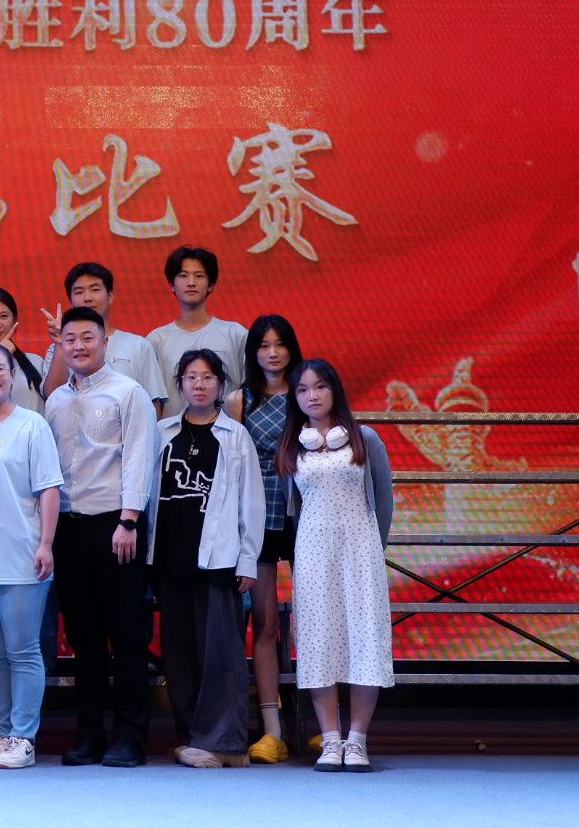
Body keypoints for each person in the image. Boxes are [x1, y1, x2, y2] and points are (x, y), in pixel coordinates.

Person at [42, 306, 156, 767]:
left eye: (88, 337)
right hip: (70, 527)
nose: (79, 346)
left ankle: (130, 737)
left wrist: (129, 520)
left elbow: (139, 457)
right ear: (61, 345)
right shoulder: (54, 400)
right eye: (70, 339)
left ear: (105, 342)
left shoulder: (129, 392)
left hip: (116, 525)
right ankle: (89, 734)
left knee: (126, 634)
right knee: (83, 637)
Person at [276, 358, 395, 774]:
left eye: (320, 387)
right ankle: (330, 740)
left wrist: (372, 549)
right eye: (303, 389)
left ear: (334, 391)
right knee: (318, 641)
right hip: (313, 553)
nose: (312, 395)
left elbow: (384, 500)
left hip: (360, 551)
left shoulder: (365, 438)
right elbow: (293, 508)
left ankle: (357, 740)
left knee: (365, 640)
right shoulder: (292, 445)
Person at [150, 349, 264, 770]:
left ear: (221, 385)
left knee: (221, 653)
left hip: (218, 560)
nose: (199, 384)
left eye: (208, 377)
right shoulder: (162, 432)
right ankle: (194, 737)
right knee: (179, 655)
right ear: (179, 384)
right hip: (168, 557)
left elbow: (252, 502)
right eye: (191, 377)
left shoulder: (235, 436)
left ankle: (226, 743)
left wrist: (247, 559)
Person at [0, 342, 63, 771]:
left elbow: (49, 488)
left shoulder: (32, 425)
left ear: (13, 374)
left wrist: (46, 544)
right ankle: (1, 732)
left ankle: (24, 736)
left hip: (22, 556)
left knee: (23, 651)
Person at [224, 314, 305, 764]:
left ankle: (324, 725)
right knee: (266, 623)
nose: (272, 353)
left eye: (279, 344)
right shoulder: (240, 400)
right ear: (252, 352)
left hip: (308, 516)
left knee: (318, 619)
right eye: (263, 346)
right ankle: (272, 730)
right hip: (260, 518)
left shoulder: (309, 391)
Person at [38, 262, 168, 412]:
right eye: (79, 292)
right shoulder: (60, 348)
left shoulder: (139, 345)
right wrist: (61, 342)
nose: (87, 298)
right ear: (70, 301)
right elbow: (53, 396)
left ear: (110, 296)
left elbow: (154, 402)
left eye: (95, 289)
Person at [148, 246, 248, 420]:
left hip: (226, 432)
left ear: (211, 284)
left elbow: (251, 391)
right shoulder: (156, 340)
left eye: (199, 276)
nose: (191, 282)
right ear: (171, 285)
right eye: (183, 275)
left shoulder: (236, 334)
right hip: (173, 433)